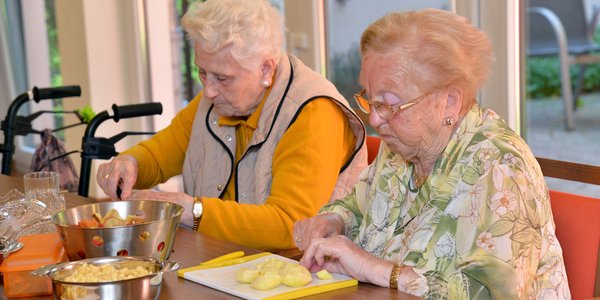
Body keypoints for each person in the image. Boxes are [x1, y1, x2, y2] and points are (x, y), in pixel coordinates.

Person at [293, 9, 570, 299]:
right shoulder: (399, 147)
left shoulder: (501, 167)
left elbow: (490, 293)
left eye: (389, 104)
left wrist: (374, 268)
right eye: (369, 98)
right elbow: (356, 206)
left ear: (449, 102)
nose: (374, 120)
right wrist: (331, 222)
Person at [96, 0, 367, 251]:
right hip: (223, 261)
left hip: (298, 275)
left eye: (223, 78)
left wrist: (191, 210)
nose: (209, 90)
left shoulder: (313, 112)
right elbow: (159, 155)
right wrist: (129, 164)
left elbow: (291, 227)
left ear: (266, 70)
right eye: (202, 72)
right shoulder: (217, 99)